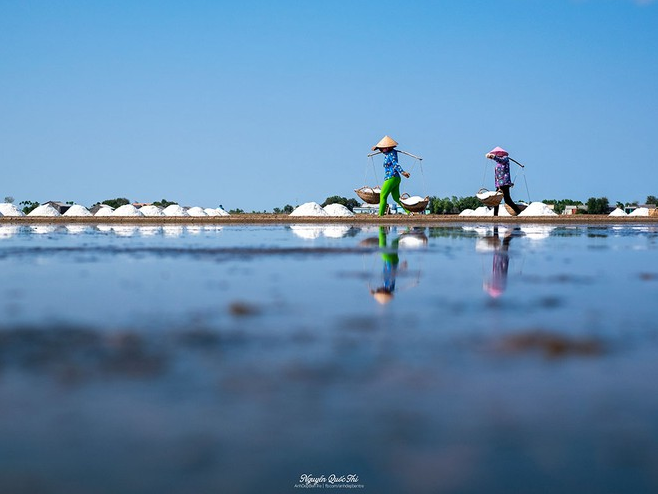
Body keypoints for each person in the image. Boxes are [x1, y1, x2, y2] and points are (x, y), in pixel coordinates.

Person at [371, 136, 411, 216]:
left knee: (382, 195)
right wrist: (377, 148)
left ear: (388, 147)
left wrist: (403, 172)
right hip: (395, 178)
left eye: (382, 148)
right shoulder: (388, 153)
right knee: (396, 198)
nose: (381, 150)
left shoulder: (391, 154)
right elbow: (383, 151)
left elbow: (395, 164)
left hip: (391, 177)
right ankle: (409, 212)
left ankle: (380, 215)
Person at [485, 146, 522, 216]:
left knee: (507, 200)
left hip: (504, 183)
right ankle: (495, 215)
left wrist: (493, 157)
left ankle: (519, 212)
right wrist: (492, 157)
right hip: (499, 183)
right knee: (497, 200)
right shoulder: (498, 162)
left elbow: (500, 160)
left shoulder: (505, 159)